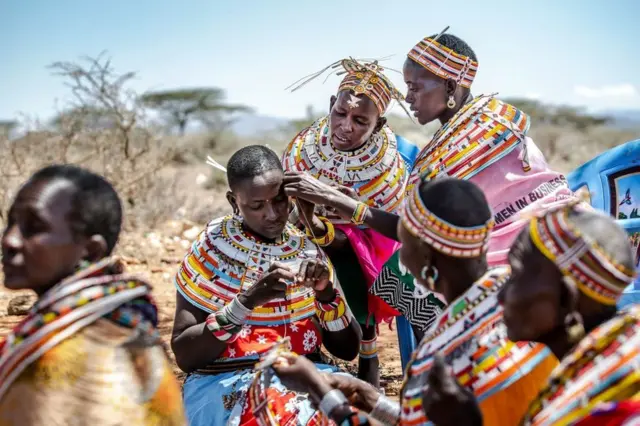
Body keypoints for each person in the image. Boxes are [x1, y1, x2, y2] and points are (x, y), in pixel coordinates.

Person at [284, 30, 576, 335]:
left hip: (512, 255)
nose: (407, 98)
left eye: (415, 88)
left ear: (450, 86)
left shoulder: (464, 149)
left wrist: (340, 203)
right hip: (556, 234)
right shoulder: (496, 122)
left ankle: (450, 353)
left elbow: (418, 233)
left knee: (406, 275)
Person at [270, 177, 558, 426]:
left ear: (425, 259)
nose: (397, 255)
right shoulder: (527, 301)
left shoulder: (445, 355)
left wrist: (321, 391)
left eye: (402, 244)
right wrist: (371, 399)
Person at [171, 145, 362, 426]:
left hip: (307, 375)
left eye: (280, 200)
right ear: (234, 202)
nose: (272, 214)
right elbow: (185, 356)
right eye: (257, 205)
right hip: (223, 382)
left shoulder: (306, 249)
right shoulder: (211, 250)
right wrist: (246, 302)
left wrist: (325, 293)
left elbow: (347, 350)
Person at [282, 58, 430, 386]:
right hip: (316, 242)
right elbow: (287, 212)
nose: (346, 126)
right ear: (331, 105)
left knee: (414, 286)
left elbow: (404, 226)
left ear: (379, 125)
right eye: (340, 114)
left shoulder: (399, 161)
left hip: (378, 245)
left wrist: (352, 211)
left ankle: (424, 374)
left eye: (360, 120)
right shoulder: (303, 150)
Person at [0, 165, 186, 425]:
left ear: (90, 250)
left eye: (34, 227)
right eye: (11, 222)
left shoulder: (83, 353)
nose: (10, 240)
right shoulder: (118, 324)